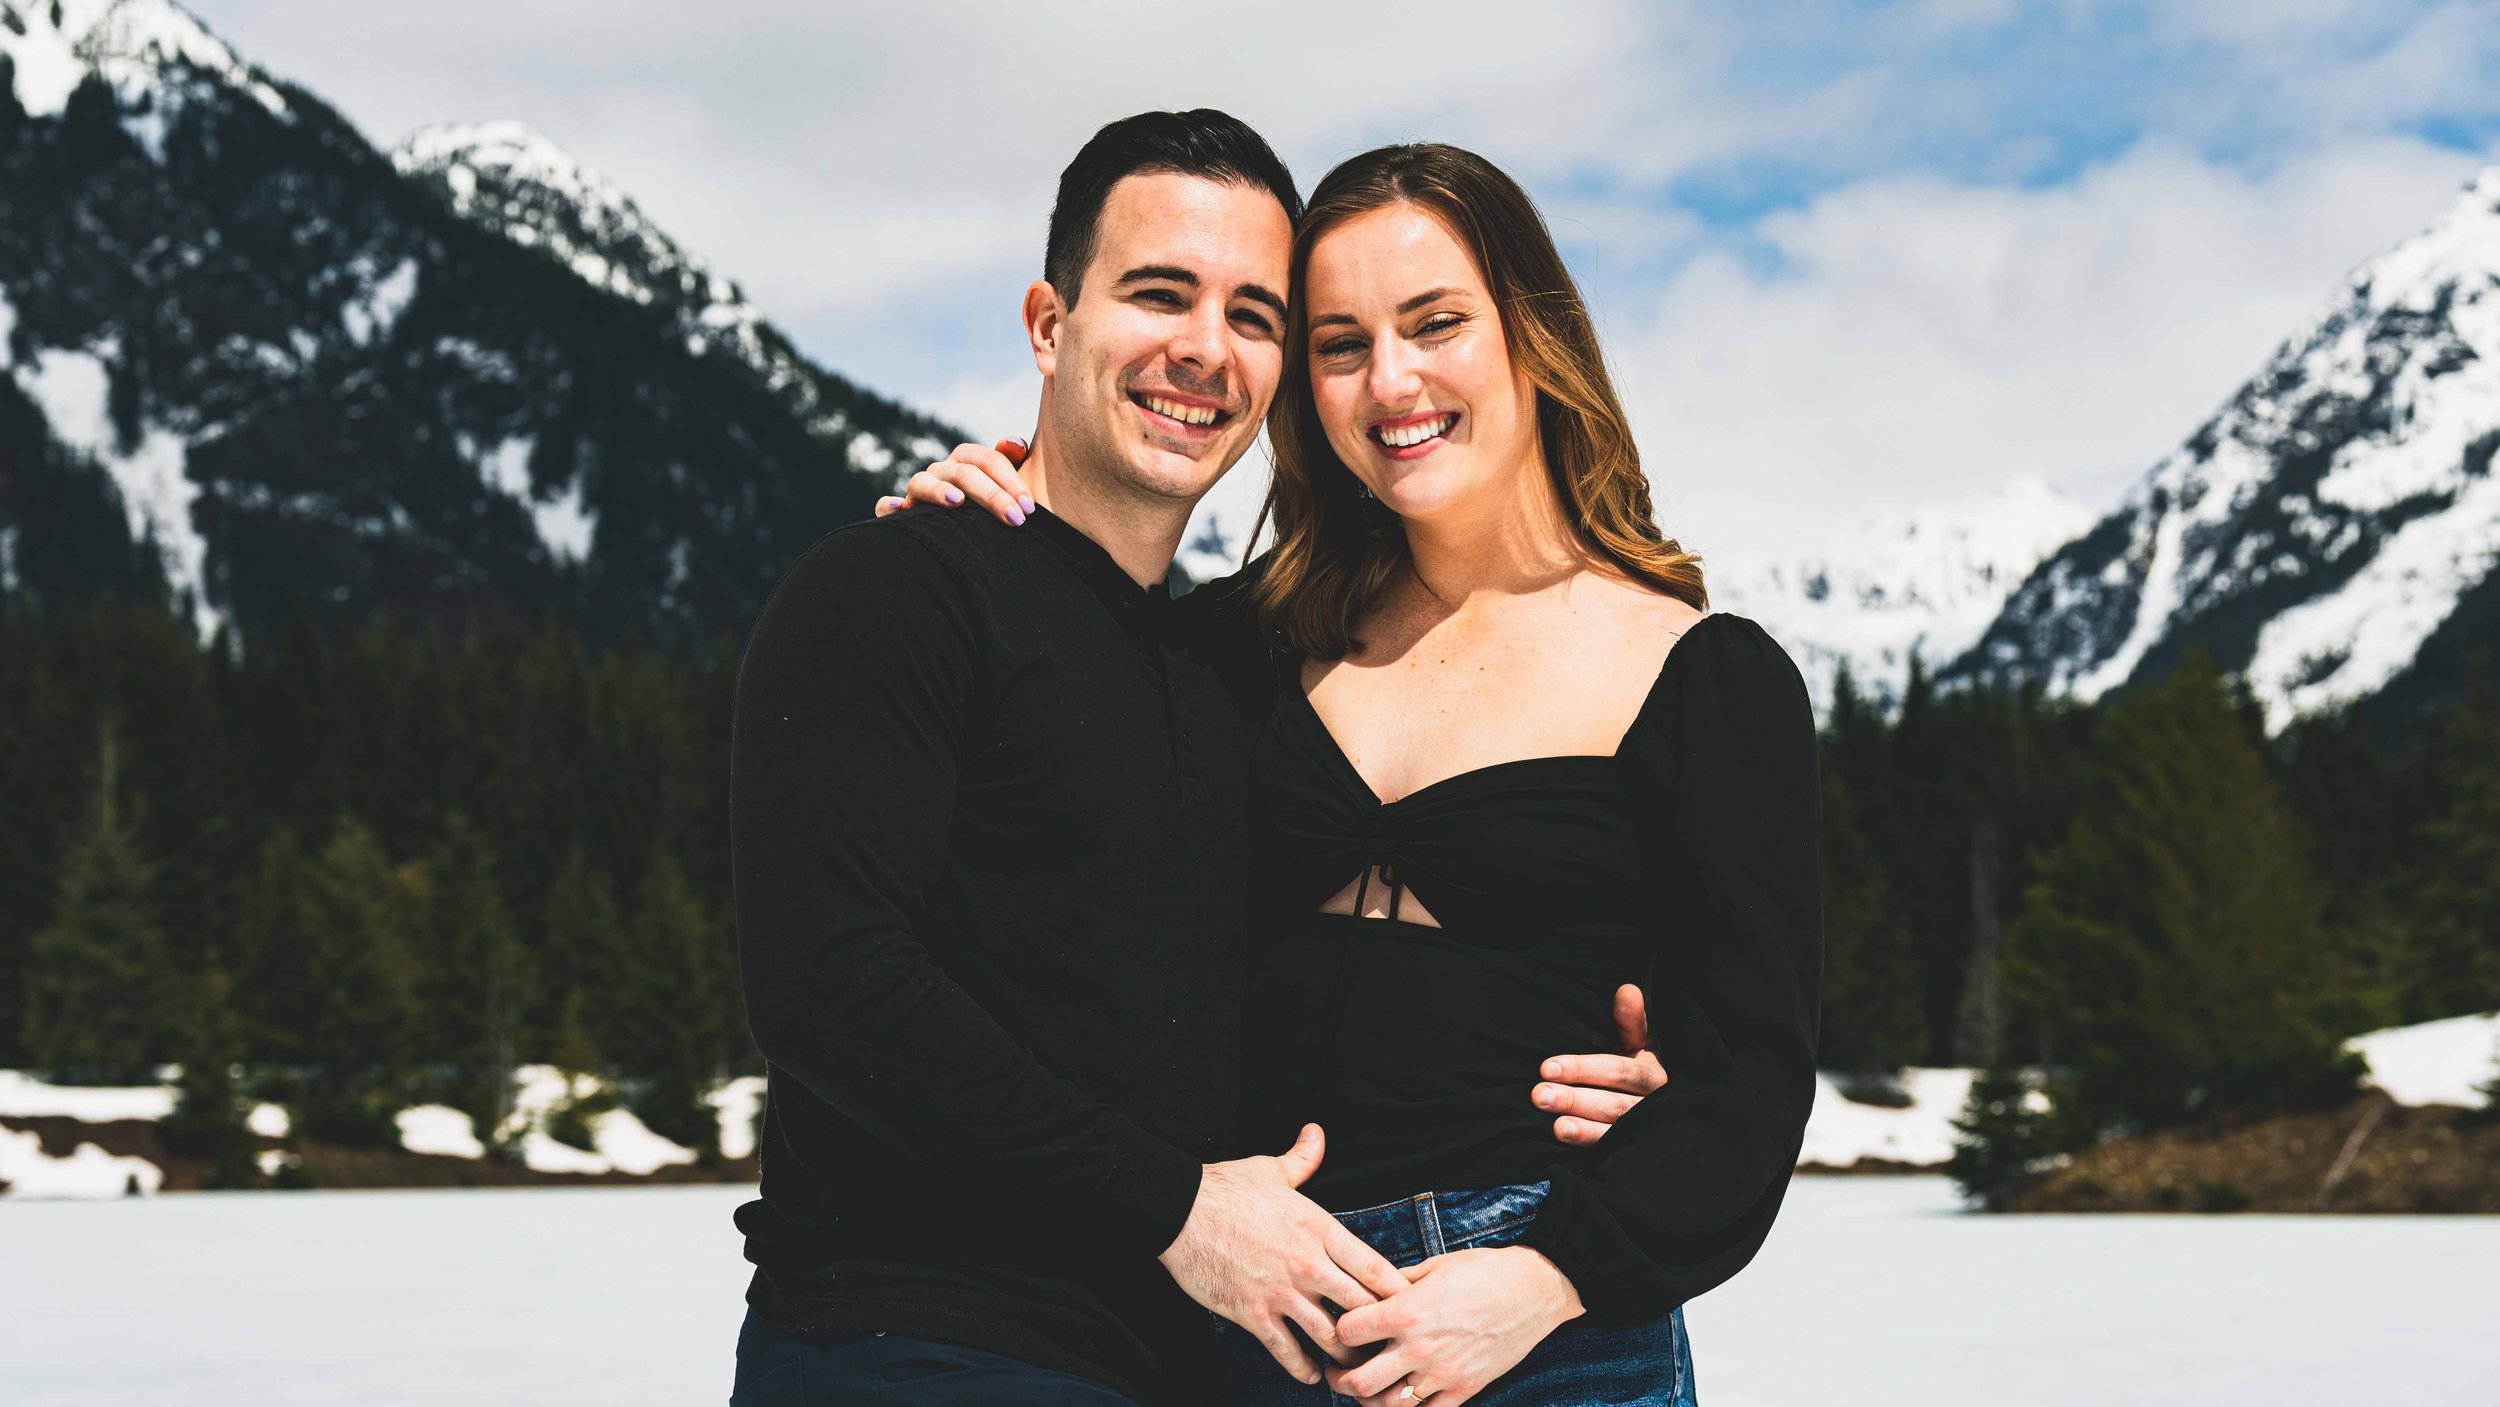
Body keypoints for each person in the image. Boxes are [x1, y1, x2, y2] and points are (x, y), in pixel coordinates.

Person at [729, 112, 1661, 1407]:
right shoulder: (900, 588)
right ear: (1049, 323)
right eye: (1159, 293)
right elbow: (828, 980)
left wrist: (1610, 1058)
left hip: (1192, 1361)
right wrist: (1176, 1207)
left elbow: (1362, 935)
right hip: (919, 1339)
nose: (1204, 350)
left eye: (1255, 314)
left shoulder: (1240, 670)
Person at [894, 141, 1824, 1406]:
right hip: (1248, 1308)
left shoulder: (1707, 681)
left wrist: (1546, 1279)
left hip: (1549, 1335)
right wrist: (985, 528)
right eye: (1338, 344)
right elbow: (1043, 769)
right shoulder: (1239, 650)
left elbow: (1749, 1095)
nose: (1392, 382)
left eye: (1435, 323)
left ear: (1530, 336)